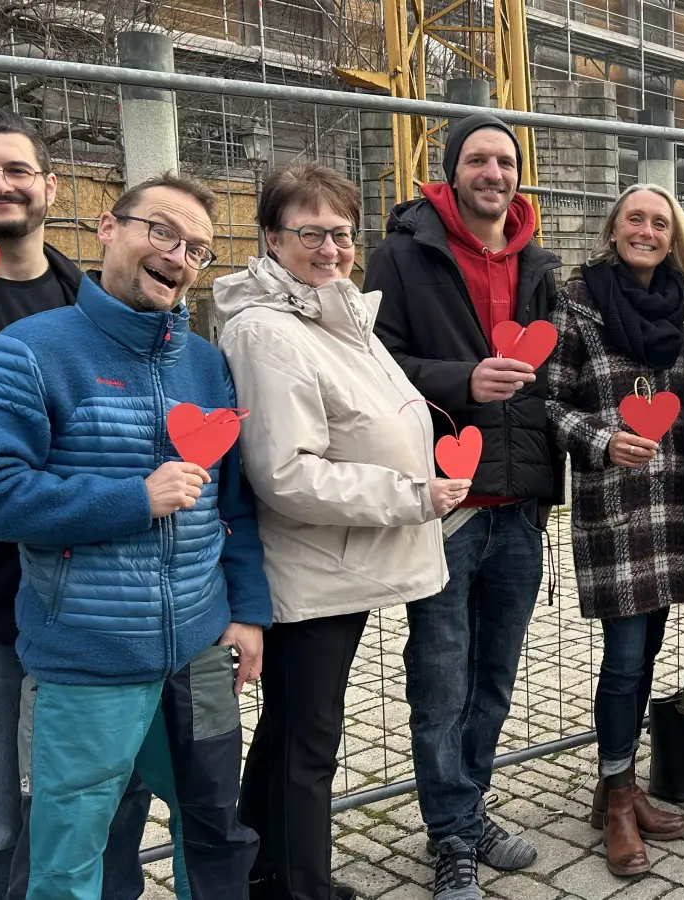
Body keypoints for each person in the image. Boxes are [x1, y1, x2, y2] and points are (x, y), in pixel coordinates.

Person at [0, 172, 270, 899]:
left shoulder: (206, 364)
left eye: (198, 249)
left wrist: (247, 612)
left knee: (217, 833)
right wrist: (132, 499)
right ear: (107, 228)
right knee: (68, 857)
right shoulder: (29, 350)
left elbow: (233, 507)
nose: (179, 256)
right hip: (88, 658)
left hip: (200, 653)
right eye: (162, 231)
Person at [212, 164, 470, 900]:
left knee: (291, 731)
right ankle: (301, 888)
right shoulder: (269, 332)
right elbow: (285, 472)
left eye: (342, 233)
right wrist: (410, 494)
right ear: (272, 238)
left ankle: (266, 874)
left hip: (336, 560)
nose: (330, 248)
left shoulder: (335, 315)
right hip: (312, 566)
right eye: (311, 233)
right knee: (308, 742)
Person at [0, 107, 151, 900]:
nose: (0, 185)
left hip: (88, 591)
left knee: (101, 791)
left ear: (48, 185)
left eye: (16, 169)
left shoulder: (85, 298)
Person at [368, 112, 562, 900]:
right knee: (440, 682)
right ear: (452, 172)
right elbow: (375, 364)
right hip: (447, 507)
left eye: (505, 161)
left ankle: (467, 809)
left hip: (518, 508)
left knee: (495, 679)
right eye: (478, 160)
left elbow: (555, 379)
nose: (494, 173)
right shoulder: (403, 254)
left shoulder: (539, 263)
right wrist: (462, 380)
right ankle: (449, 835)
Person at [545, 184, 684, 876]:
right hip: (613, 504)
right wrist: (602, 440)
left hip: (671, 505)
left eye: (660, 223)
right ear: (613, 230)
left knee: (650, 649)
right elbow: (548, 401)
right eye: (635, 219)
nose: (647, 231)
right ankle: (614, 802)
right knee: (624, 657)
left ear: (672, 238)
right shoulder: (578, 302)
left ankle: (623, 783)